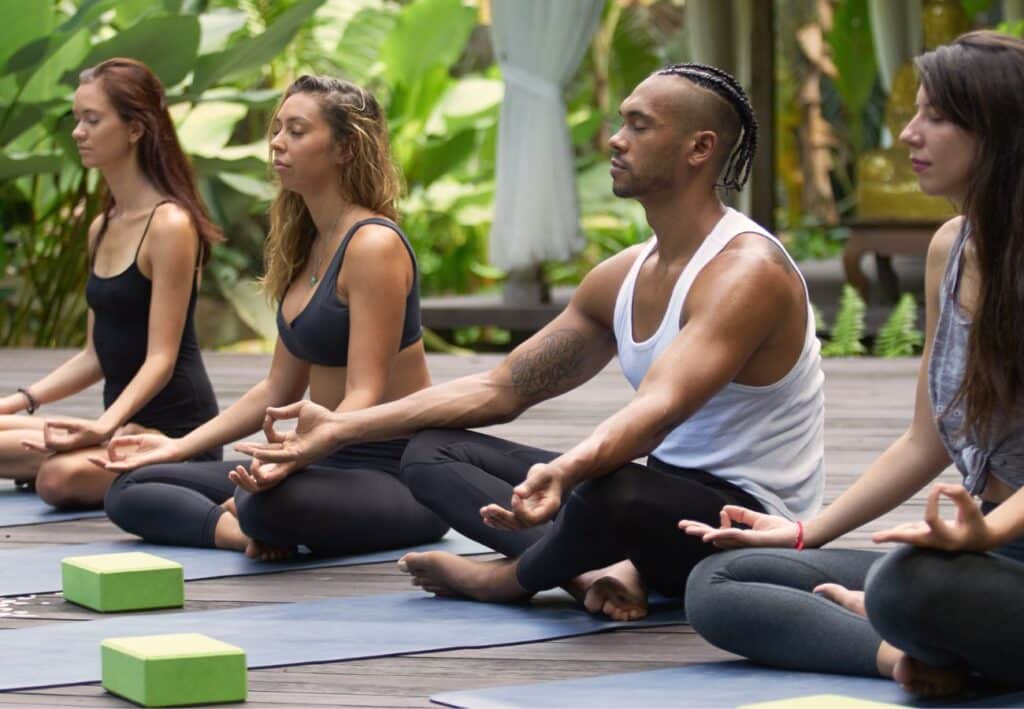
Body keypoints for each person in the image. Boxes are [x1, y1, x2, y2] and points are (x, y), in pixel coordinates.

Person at [235, 64, 825, 615]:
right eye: (620, 121)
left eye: (639, 126)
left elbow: (654, 415)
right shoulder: (623, 275)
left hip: (741, 527)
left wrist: (567, 471)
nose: (616, 139)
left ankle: (512, 578)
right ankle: (583, 567)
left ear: (700, 148)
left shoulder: (748, 273)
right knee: (432, 449)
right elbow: (502, 387)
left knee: (610, 487)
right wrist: (341, 427)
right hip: (656, 500)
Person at [681, 31, 1024, 699]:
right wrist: (806, 529)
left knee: (903, 582)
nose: (906, 136)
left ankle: (917, 627)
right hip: (981, 557)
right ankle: (907, 657)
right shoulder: (950, 248)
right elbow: (925, 441)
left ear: (1001, 132)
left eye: (936, 117)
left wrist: (986, 531)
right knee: (719, 581)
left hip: (991, 550)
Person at [99, 75, 447, 559]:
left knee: (263, 502)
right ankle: (238, 534)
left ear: (346, 148)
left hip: (394, 475)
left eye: (298, 131)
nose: (277, 142)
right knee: (131, 486)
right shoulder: (305, 245)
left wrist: (288, 458)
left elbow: (363, 395)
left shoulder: (373, 244)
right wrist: (177, 448)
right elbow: (277, 388)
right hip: (317, 462)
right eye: (278, 129)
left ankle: (253, 519)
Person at [0, 58, 222, 509]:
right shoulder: (102, 225)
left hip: (174, 433)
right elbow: (95, 355)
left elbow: (162, 358)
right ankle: (88, 453)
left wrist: (104, 427)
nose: (78, 132)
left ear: (135, 129)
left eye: (92, 119)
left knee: (57, 480)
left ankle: (90, 458)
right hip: (116, 426)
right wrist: (18, 401)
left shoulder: (170, 224)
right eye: (77, 119)